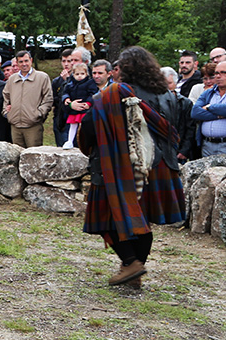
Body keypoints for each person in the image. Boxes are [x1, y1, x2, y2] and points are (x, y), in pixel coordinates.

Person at [78, 46, 185, 288]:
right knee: (142, 220)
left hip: (122, 167)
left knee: (108, 217)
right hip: (161, 167)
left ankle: (130, 263)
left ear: (125, 69)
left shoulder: (112, 94)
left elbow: (90, 128)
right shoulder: (169, 94)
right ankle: (133, 270)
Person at [2, 50, 53, 148]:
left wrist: (39, 114)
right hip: (15, 125)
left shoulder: (42, 77)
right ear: (16, 63)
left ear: (31, 60)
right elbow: (6, 96)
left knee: (33, 156)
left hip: (33, 125)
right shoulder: (12, 79)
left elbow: (48, 99)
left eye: (26, 61)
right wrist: (7, 113)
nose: (24, 64)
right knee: (17, 156)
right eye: (21, 62)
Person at [60, 61, 99, 148]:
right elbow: (65, 92)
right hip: (74, 110)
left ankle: (86, 142)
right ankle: (70, 141)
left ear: (86, 74)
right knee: (72, 126)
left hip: (85, 108)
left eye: (82, 73)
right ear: (73, 74)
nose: (80, 76)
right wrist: (66, 99)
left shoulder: (90, 83)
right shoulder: (70, 84)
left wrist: (89, 103)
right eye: (77, 74)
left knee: (85, 126)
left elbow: (92, 94)